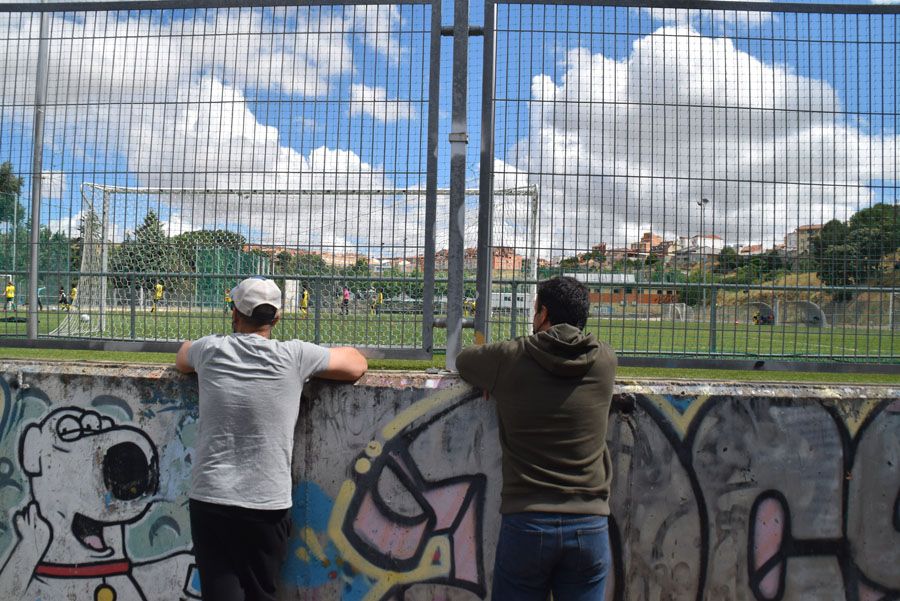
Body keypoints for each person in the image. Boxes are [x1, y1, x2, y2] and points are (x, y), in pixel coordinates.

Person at [175, 277, 367, 601]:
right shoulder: (294, 356)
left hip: (211, 498)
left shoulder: (210, 350)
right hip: (266, 504)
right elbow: (356, 365)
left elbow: (182, 356)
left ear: (234, 314)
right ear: (277, 318)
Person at [456, 276, 617, 600]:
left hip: (529, 523)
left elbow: (464, 361)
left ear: (543, 314)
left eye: (534, 311)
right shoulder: (604, 362)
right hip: (590, 523)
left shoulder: (511, 358)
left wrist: (496, 378)